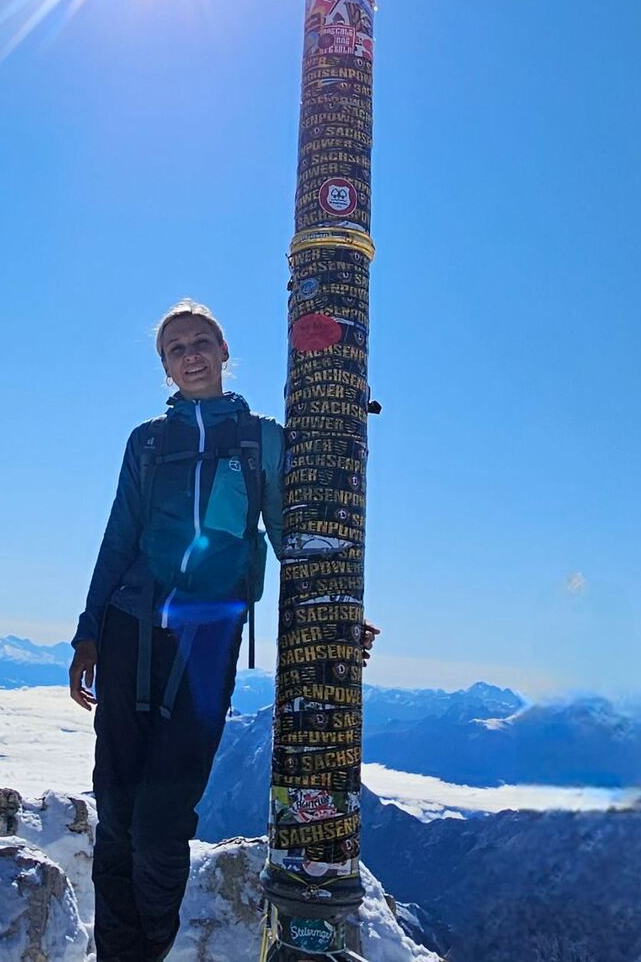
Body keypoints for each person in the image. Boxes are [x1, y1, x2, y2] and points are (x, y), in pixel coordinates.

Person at [69, 300, 378, 962]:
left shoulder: (260, 440)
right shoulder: (147, 441)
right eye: (176, 348)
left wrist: (337, 615)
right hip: (129, 629)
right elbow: (119, 537)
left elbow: (290, 534)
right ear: (165, 366)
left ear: (223, 350)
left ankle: (147, 949)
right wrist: (86, 634)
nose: (190, 355)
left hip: (208, 639)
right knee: (116, 810)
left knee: (161, 822)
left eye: (200, 342)